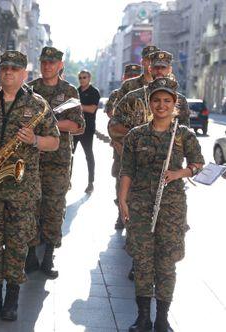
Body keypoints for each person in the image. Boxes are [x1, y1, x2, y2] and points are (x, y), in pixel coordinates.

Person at [0, 50, 60, 321]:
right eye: (4, 67)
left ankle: (13, 298)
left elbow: (54, 142)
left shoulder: (38, 105)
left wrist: (34, 140)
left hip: (23, 189)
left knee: (18, 243)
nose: (8, 72)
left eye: (14, 69)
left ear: (24, 74)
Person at [119, 77, 204, 332]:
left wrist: (180, 173)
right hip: (141, 206)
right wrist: (122, 199)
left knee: (166, 263)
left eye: (167, 101)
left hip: (172, 209)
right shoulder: (136, 135)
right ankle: (143, 317)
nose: (161, 105)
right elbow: (127, 170)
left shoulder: (183, 135)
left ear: (174, 104)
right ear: (150, 103)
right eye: (156, 100)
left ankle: (163, 318)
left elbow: (198, 164)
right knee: (143, 262)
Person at [25, 47, 85, 279]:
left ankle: (48, 256)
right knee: (30, 206)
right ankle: (30, 253)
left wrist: (48, 123)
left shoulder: (69, 91)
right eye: (44, 62)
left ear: (60, 65)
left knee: (54, 208)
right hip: (32, 158)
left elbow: (77, 125)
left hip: (58, 161)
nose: (47, 66)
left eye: (52, 62)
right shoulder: (30, 89)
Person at [106, 64, 143, 230]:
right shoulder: (117, 94)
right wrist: (117, 140)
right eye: (129, 74)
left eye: (135, 74)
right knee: (121, 180)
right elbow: (112, 116)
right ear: (124, 76)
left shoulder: (147, 93)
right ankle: (121, 215)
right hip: (121, 143)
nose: (131, 77)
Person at [73, 69, 100, 193]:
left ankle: (91, 182)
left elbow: (91, 109)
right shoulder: (75, 92)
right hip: (74, 128)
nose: (82, 80)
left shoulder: (94, 92)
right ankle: (67, 181)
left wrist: (77, 105)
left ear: (89, 78)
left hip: (87, 129)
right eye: (80, 78)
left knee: (88, 154)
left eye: (84, 77)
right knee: (70, 155)